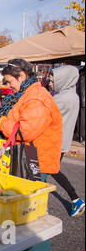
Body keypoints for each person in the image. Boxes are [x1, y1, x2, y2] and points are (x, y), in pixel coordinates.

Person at [0, 59, 63, 180]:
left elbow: (24, 132)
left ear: (22, 76)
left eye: (9, 82)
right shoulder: (28, 94)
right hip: (27, 159)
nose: (8, 86)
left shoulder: (36, 99)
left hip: (34, 162)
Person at [49, 65, 84, 217]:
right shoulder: (73, 95)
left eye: (52, 80)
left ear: (62, 80)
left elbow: (46, 116)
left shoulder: (60, 99)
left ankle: (75, 198)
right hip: (63, 140)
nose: (50, 83)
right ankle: (75, 199)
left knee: (48, 170)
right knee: (50, 170)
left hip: (53, 140)